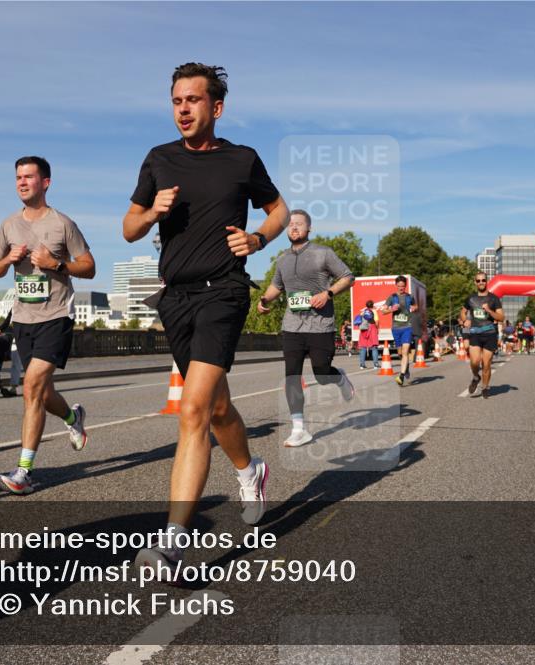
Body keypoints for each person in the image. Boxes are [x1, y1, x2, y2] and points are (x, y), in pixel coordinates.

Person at [122, 63, 289, 572]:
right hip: (175, 298)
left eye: (192, 100)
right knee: (216, 408)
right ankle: (250, 467)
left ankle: (173, 541)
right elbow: (128, 228)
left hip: (225, 291)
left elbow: (279, 210)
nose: (183, 110)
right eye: (176, 101)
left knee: (192, 411)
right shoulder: (159, 159)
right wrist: (152, 212)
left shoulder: (242, 160)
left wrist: (258, 238)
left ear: (215, 107)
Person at [0, 155, 95, 495]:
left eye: (29, 177)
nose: (22, 182)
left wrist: (56, 264)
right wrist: (8, 259)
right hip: (23, 319)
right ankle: (72, 419)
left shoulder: (62, 224)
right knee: (41, 391)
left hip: (56, 317)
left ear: (45, 182)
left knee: (33, 384)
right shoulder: (8, 225)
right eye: (18, 177)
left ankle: (23, 472)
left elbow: (89, 266)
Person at [257, 210, 354, 447]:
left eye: (299, 224)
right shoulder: (282, 259)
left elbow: (348, 277)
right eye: (290, 225)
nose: (294, 228)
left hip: (320, 325)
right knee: (292, 375)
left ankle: (339, 378)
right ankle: (299, 429)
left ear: (308, 228)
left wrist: (327, 293)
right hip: (292, 325)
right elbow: (276, 286)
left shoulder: (323, 253)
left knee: (321, 373)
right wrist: (264, 300)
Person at [460, 272, 504, 398]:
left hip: (490, 333)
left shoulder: (494, 299)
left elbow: (501, 317)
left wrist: (490, 311)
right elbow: (462, 312)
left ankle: (485, 386)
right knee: (474, 362)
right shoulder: (470, 298)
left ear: (487, 281)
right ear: (475, 282)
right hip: (475, 333)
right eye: (478, 280)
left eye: (483, 280)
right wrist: (465, 320)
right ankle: (475, 376)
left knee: (486, 364)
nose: (481, 282)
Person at [382, 276, 418, 385]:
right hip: (396, 328)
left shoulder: (410, 297)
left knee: (405, 351)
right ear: (396, 285)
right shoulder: (392, 297)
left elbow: (415, 305)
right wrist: (391, 309)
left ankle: (401, 376)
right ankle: (405, 368)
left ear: (405, 286)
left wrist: (414, 308)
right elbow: (383, 311)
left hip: (407, 326)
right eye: (399, 286)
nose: (401, 288)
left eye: (403, 286)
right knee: (399, 353)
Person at [356, 299, 380, 369]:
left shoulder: (363, 312)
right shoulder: (374, 311)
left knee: (363, 347)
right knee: (374, 347)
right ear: (372, 305)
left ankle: (362, 364)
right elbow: (377, 321)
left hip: (363, 330)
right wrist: (377, 329)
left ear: (366, 305)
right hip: (372, 328)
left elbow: (359, 321)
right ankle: (375, 364)